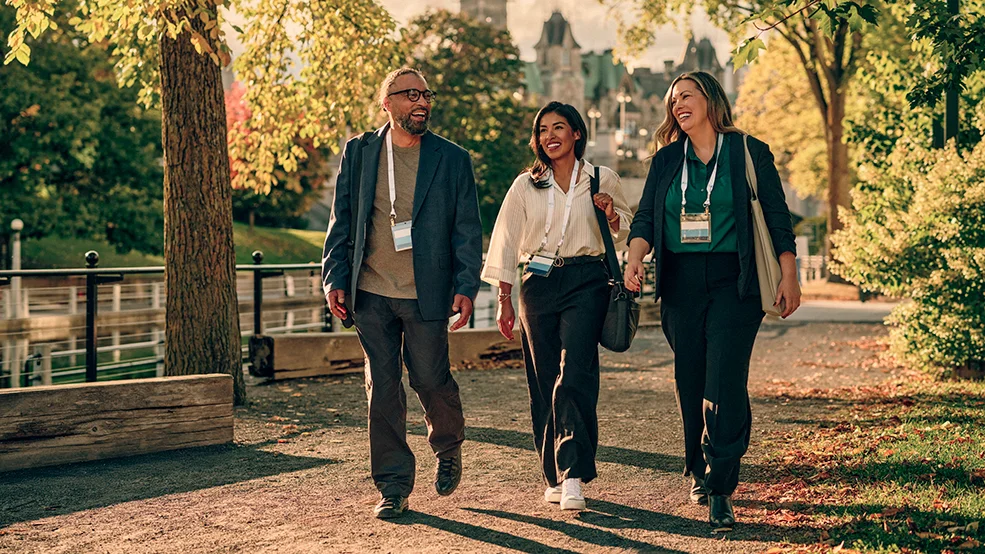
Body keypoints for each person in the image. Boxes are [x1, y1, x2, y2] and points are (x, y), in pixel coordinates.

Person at [623, 71, 801, 532]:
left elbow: (777, 217)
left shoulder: (748, 151)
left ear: (710, 99)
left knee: (724, 379)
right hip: (680, 282)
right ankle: (699, 468)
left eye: (686, 95)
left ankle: (721, 486)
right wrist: (635, 257)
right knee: (691, 378)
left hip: (734, 281)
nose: (678, 105)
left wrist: (790, 274)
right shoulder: (667, 160)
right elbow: (646, 217)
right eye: (673, 100)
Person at [321, 67, 483, 519]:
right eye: (411, 94)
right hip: (370, 291)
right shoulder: (359, 151)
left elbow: (467, 230)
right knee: (383, 389)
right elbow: (342, 220)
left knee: (430, 379)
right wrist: (334, 278)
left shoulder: (452, 158)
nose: (422, 102)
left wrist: (466, 286)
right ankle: (393, 485)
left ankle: (448, 446)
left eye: (426, 95)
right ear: (387, 103)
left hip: (426, 292)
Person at [481, 101, 632, 511]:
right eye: (543, 130)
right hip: (537, 284)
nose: (550, 136)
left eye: (558, 127)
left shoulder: (602, 178)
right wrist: (504, 300)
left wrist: (611, 214)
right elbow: (506, 241)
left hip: (587, 280)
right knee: (544, 378)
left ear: (576, 133)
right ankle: (553, 474)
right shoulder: (524, 185)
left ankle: (574, 475)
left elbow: (626, 230)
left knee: (575, 373)